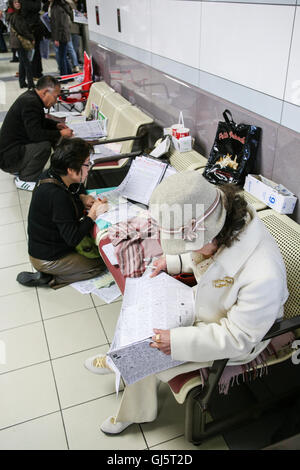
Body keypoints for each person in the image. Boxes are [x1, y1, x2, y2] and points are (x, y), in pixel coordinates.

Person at [84, 171, 289, 434]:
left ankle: (130, 396)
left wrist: (177, 342)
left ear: (213, 235)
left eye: (189, 245)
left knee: (152, 349)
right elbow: (205, 258)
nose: (188, 251)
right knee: (147, 327)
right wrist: (171, 262)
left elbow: (239, 337)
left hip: (237, 338)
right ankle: (123, 364)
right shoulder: (224, 220)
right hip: (207, 308)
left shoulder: (263, 274)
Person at [16, 138, 108, 289]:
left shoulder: (51, 174)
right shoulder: (57, 196)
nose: (89, 168)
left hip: (45, 244)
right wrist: (92, 214)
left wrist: (81, 197)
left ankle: (49, 272)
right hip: (49, 257)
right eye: (87, 164)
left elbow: (75, 189)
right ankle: (50, 279)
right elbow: (73, 238)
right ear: (71, 170)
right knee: (99, 265)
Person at [0, 75, 73, 189]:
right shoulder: (30, 103)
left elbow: (38, 121)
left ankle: (25, 168)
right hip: (9, 158)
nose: (56, 100)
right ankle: (26, 178)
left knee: (50, 135)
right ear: (45, 92)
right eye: (55, 96)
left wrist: (55, 125)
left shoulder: (31, 97)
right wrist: (60, 134)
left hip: (11, 151)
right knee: (44, 146)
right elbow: (35, 135)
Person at [6, 0, 35, 89]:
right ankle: (31, 84)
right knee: (27, 63)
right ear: (12, 4)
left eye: (18, 2)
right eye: (15, 2)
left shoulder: (13, 14)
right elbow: (22, 30)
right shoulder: (16, 15)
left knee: (22, 62)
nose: (18, 4)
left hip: (17, 41)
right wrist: (31, 38)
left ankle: (22, 82)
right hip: (20, 41)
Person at [48, 0, 72, 76]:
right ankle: (69, 75)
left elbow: (57, 24)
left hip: (61, 35)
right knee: (63, 56)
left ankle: (64, 77)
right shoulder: (59, 5)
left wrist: (56, 38)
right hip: (63, 34)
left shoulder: (57, 7)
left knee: (61, 57)